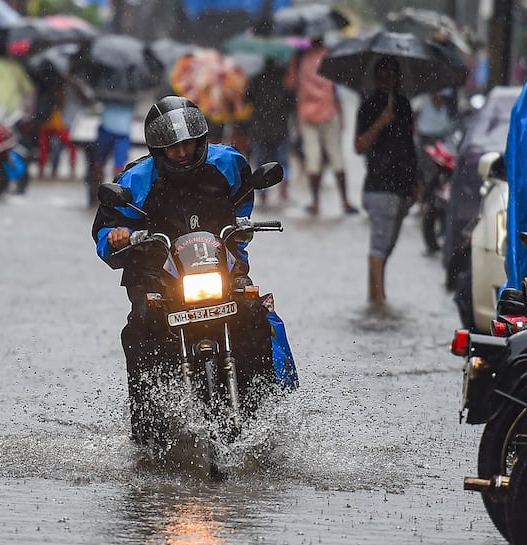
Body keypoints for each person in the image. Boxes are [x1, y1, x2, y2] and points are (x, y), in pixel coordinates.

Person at [91, 96, 285, 441]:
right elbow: (104, 232)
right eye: (172, 148)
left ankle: (265, 415)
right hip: (156, 275)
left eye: (188, 144)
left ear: (201, 139)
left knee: (254, 316)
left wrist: (241, 231)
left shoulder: (229, 162)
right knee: (140, 331)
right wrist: (119, 236)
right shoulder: (135, 179)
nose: (181, 153)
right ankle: (148, 436)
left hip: (216, 265)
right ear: (157, 149)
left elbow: (243, 200)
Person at [354, 56, 417, 305]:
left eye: (392, 73)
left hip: (402, 187)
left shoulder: (404, 105)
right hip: (379, 186)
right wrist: (381, 121)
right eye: (383, 73)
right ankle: (379, 302)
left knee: (388, 245)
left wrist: (416, 181)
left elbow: (409, 145)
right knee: (379, 245)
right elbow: (359, 146)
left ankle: (374, 294)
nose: (387, 78)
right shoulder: (368, 107)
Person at [286, 36, 358, 215]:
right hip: (328, 111)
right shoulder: (329, 55)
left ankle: (315, 202)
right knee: (336, 155)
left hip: (307, 113)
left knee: (313, 158)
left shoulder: (300, 57)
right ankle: (344, 200)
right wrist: (341, 113)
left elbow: (290, 84)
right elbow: (335, 85)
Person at [247, 57, 295, 204]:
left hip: (260, 129)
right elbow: (291, 104)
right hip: (280, 129)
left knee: (261, 163)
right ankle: (283, 192)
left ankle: (263, 195)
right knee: (283, 162)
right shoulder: (284, 81)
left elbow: (248, 100)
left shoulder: (255, 80)